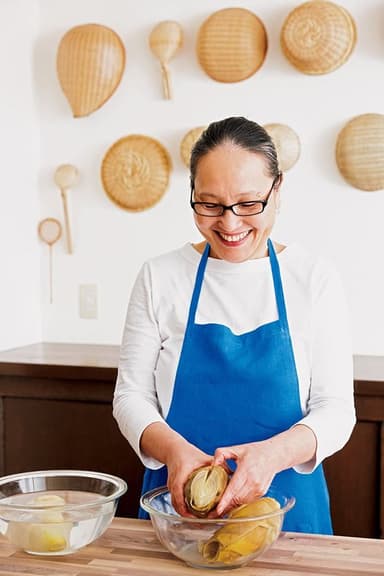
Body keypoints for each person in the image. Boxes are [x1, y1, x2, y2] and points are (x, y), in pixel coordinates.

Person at [113, 116, 355, 534]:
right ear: (192, 194)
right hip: (178, 508)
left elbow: (337, 411)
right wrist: (175, 452)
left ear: (277, 190)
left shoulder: (314, 279)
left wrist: (271, 457)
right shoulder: (160, 277)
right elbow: (130, 396)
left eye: (248, 203)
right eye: (209, 204)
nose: (229, 223)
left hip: (289, 511)